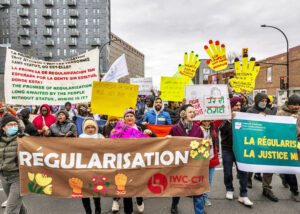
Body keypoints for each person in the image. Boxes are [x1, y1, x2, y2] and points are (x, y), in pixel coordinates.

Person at [169, 104, 205, 214]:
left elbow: (202, 146)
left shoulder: (198, 129)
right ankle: (174, 204)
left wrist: (207, 145)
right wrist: (168, 139)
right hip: (179, 165)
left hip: (194, 166)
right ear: (183, 113)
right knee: (178, 188)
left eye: (193, 112)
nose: (192, 114)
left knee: (197, 191)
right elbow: (168, 146)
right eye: (190, 112)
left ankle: (199, 211)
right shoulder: (175, 129)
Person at [120, 108, 156, 214]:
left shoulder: (141, 127)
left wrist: (150, 133)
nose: (129, 118)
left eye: (131, 116)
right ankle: (128, 211)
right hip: (125, 162)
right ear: (124, 118)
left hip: (139, 161)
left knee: (138, 184)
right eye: (127, 116)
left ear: (135, 118)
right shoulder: (119, 130)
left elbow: (156, 140)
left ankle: (139, 200)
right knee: (126, 187)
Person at [220, 97, 253, 206]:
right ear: (231, 106)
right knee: (228, 172)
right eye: (236, 105)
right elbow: (222, 130)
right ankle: (229, 189)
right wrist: (229, 119)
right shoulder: (224, 117)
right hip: (227, 149)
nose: (238, 107)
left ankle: (243, 194)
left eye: (239, 105)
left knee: (243, 172)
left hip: (240, 149)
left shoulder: (243, 117)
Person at [246, 93, 278, 202]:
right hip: (253, 143)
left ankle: (266, 188)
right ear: (257, 100)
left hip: (267, 143)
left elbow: (274, 127)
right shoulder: (250, 111)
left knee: (268, 167)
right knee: (253, 163)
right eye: (262, 100)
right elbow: (246, 127)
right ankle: (248, 178)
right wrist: (256, 118)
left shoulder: (269, 111)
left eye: (266, 101)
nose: (264, 102)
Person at [0, 114, 27, 213]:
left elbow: (36, 144)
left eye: (15, 124)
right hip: (4, 177)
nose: (13, 127)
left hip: (18, 177)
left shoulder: (22, 139)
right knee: (17, 205)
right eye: (10, 125)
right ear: (3, 127)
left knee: (10, 210)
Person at [276, 94, 300, 201]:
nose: (297, 107)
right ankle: (294, 190)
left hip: (298, 143)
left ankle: (284, 175)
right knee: (291, 166)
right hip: (286, 144)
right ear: (289, 104)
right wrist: (289, 120)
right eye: (294, 105)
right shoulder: (280, 113)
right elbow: (276, 128)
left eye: (299, 105)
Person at [79, 118, 104, 214]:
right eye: (88, 127)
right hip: (83, 169)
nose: (90, 129)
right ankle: (88, 211)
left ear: (96, 128)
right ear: (84, 129)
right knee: (84, 191)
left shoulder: (100, 137)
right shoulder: (80, 138)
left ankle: (98, 210)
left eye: (92, 127)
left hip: (96, 168)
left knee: (96, 191)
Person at [200, 120, 219, 206]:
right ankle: (199, 195)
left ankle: (205, 197)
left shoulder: (213, 127)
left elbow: (221, 118)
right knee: (200, 178)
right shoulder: (197, 128)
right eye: (204, 121)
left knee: (209, 179)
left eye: (208, 121)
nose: (206, 122)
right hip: (200, 158)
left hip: (211, 157)